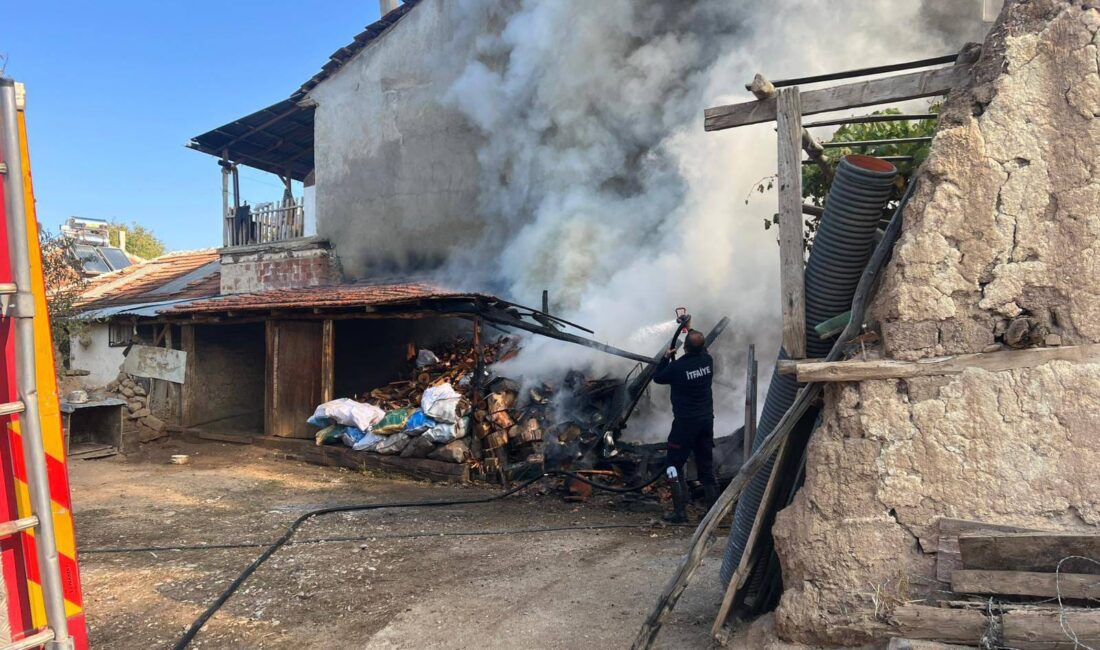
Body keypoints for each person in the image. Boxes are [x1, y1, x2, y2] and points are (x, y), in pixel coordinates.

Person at [652, 327, 716, 524]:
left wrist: (666, 357)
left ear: (685, 348)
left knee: (672, 465)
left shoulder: (677, 367)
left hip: (685, 425)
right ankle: (713, 514)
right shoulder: (708, 361)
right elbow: (699, 350)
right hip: (706, 421)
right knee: (706, 467)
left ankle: (679, 513)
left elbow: (658, 377)